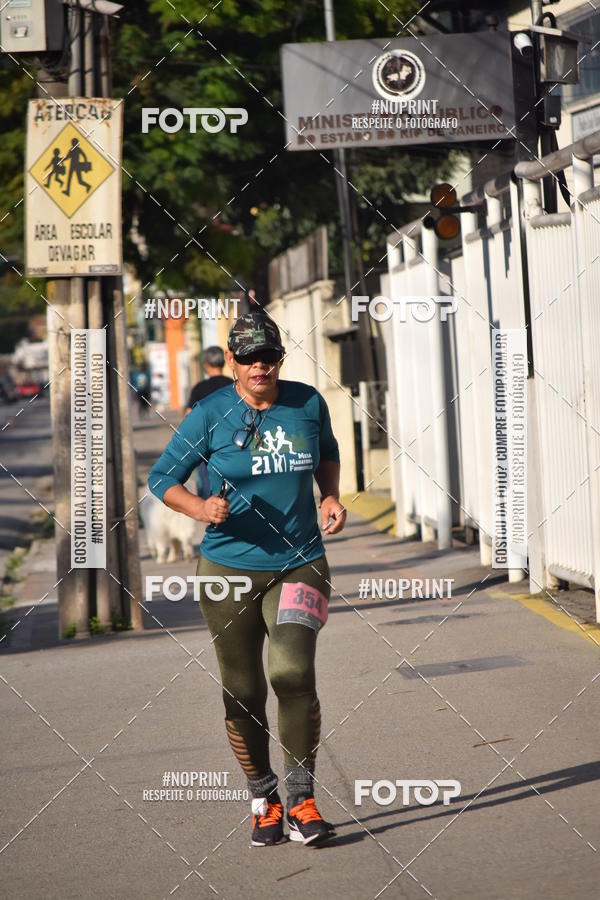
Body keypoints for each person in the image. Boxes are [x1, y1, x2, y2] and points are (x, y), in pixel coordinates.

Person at [148, 311, 346, 847]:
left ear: (281, 359)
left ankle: (303, 800)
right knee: (242, 689)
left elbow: (326, 454)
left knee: (290, 671)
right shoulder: (210, 413)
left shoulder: (306, 403)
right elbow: (162, 477)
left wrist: (328, 495)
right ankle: (264, 798)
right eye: (249, 357)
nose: (260, 367)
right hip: (226, 571)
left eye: (270, 357)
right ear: (230, 360)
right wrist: (198, 507)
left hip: (300, 561)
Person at [185, 346, 233, 499]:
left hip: (207, 448)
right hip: (234, 442)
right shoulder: (234, 385)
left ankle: (211, 514)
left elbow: (188, 417)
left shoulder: (199, 389)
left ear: (206, 364)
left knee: (207, 487)